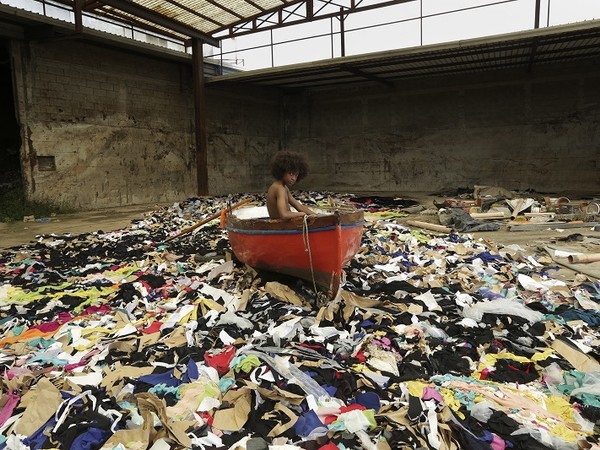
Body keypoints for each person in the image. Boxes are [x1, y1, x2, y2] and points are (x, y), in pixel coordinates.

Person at [266, 151, 314, 219]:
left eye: (296, 175)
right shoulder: (279, 188)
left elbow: (299, 206)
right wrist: (302, 214)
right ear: (282, 171)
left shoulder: (284, 187)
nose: (293, 178)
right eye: (290, 174)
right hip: (280, 227)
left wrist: (316, 216)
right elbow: (284, 215)